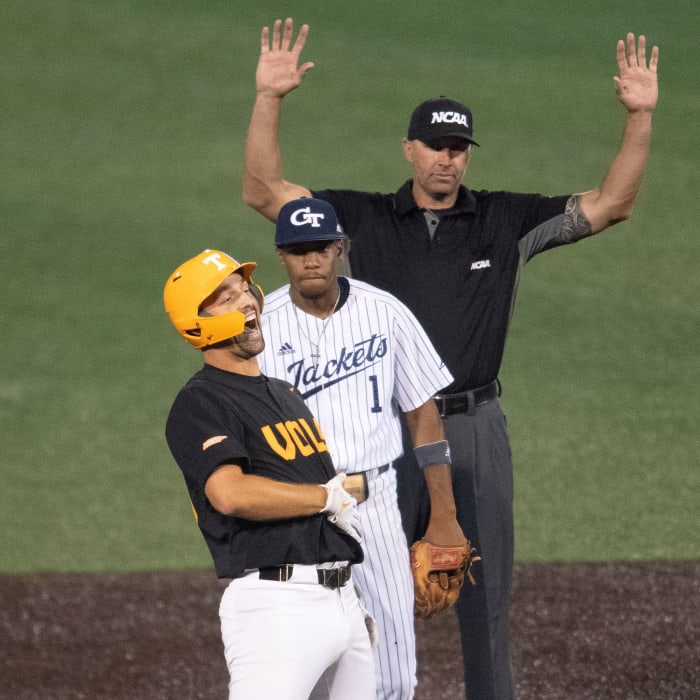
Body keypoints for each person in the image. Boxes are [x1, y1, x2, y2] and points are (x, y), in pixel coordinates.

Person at [242, 18, 659, 700]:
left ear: (467, 154)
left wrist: (639, 117)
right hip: (378, 431)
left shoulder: (505, 219)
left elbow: (611, 204)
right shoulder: (358, 219)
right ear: (408, 148)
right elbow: (265, 193)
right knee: (353, 597)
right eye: (434, 145)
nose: (446, 158)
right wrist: (270, 98)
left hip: (472, 429)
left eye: (457, 147)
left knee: (485, 602)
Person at [258, 196, 468, 699]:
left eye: (322, 248)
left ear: (341, 249)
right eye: (298, 249)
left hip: (372, 504)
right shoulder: (259, 325)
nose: (311, 260)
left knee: (393, 675)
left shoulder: (385, 312)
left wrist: (445, 515)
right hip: (294, 511)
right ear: (281, 256)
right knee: (295, 672)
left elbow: (423, 413)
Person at [163, 248, 376, 700]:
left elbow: (316, 492)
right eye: (224, 297)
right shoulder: (201, 402)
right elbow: (230, 493)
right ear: (195, 323)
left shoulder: (285, 394)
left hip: (340, 599)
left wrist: (345, 613)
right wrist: (325, 498)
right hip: (277, 607)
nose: (246, 300)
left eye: (245, 289)